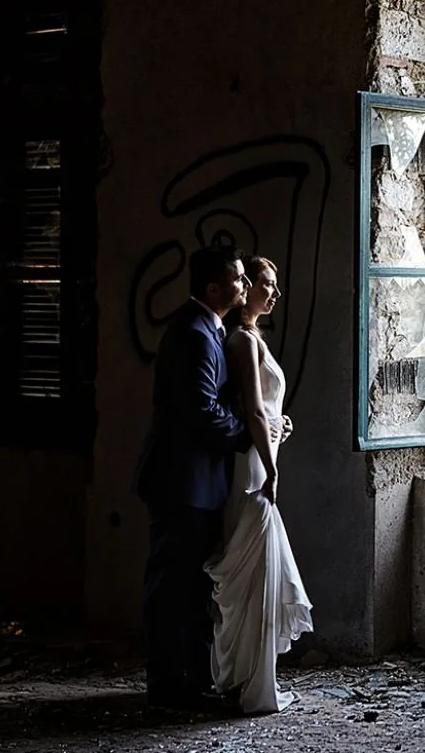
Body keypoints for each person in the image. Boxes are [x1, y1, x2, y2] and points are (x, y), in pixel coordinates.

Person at [134, 245, 283, 710]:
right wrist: (247, 436)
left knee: (192, 584)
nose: (245, 287)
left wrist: (271, 424)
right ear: (214, 288)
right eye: (239, 280)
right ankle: (168, 684)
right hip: (182, 482)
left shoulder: (209, 330)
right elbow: (202, 410)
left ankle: (191, 678)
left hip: (197, 482)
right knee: (173, 584)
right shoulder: (197, 334)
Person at [205, 254, 313, 714]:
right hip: (253, 466)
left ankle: (251, 676)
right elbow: (250, 411)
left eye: (273, 284)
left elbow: (264, 412)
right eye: (265, 284)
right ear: (245, 290)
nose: (273, 292)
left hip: (261, 453)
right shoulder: (243, 341)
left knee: (261, 570)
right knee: (255, 570)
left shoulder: (255, 340)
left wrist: (279, 424)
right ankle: (247, 680)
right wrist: (271, 467)